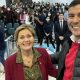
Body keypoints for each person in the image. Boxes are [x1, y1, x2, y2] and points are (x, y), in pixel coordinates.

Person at [51, 0, 80, 80]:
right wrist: (39, 55)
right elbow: (61, 56)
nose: (75, 21)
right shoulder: (68, 43)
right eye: (71, 16)